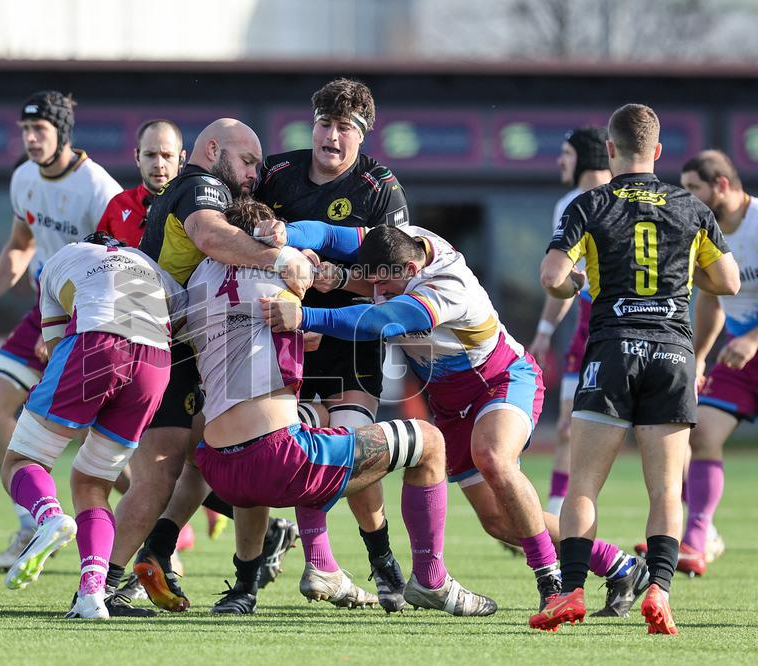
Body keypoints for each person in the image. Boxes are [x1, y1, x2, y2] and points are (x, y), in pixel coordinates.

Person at [262, 219, 649, 618]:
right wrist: (281, 235)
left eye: (386, 287)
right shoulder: (400, 243)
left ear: (411, 273)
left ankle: (551, 582)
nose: (378, 293)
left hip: (501, 380)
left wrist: (305, 316)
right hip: (451, 406)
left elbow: (379, 320)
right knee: (499, 522)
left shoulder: (448, 285)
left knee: (493, 456)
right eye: (374, 283)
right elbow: (327, 236)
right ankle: (619, 566)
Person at [189, 199, 496, 616]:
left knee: (306, 421)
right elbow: (355, 311)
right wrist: (297, 273)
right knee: (428, 441)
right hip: (280, 461)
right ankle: (430, 579)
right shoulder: (283, 267)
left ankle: (245, 587)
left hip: (218, 466)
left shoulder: (198, 277)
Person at [531, 104, 740, 635]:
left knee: (583, 485)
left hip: (612, 352)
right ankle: (660, 593)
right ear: (659, 151)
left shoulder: (589, 203)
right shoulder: (690, 206)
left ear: (609, 149)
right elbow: (730, 283)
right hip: (672, 355)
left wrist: (571, 285)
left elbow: (552, 275)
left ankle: (571, 591)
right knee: (666, 490)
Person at [99, 118, 314, 615]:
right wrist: (281, 257)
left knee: (204, 452)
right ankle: (105, 583)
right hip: (160, 348)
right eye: (248, 161)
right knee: (160, 469)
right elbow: (212, 236)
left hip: (163, 344)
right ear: (213, 149)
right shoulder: (201, 186)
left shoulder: (186, 189)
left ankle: (155, 550)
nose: (255, 173)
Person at [253, 77, 410, 612]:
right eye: (326, 124)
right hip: (283, 334)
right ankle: (312, 564)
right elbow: (242, 245)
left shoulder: (380, 188)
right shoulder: (274, 173)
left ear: (363, 136)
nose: (333, 137)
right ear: (312, 124)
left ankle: (382, 561)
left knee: (356, 450)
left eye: (346, 128)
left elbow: (395, 279)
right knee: (298, 447)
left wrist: (334, 283)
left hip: (353, 338)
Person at [0, 92, 121, 572]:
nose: (30, 139)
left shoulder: (97, 188)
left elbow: (119, 267)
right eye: (25, 130)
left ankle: (169, 509)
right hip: (43, 311)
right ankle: (32, 525)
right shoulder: (25, 178)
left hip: (90, 317)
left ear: (63, 134)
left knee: (98, 438)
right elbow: (20, 243)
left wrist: (70, 330)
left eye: (40, 130)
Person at [0, 231, 186, 619]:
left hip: (98, 344)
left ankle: (49, 518)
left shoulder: (62, 258)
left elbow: (53, 348)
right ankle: (92, 595)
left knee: (20, 461)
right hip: (156, 365)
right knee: (92, 483)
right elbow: (180, 324)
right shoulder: (151, 266)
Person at [672, 149, 755, 576]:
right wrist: (699, 359)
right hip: (740, 356)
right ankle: (698, 539)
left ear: (721, 185)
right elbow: (710, 300)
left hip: (749, 346)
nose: (687, 198)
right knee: (701, 433)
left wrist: (754, 338)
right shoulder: (707, 231)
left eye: (693, 189)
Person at [528, 127, 612, 516]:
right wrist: (544, 334)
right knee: (566, 427)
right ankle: (556, 520)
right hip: (587, 323)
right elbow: (562, 276)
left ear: (588, 156)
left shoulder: (625, 196)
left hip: (634, 324)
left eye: (566, 153)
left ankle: (684, 520)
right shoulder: (567, 205)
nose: (560, 160)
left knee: (655, 430)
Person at [98, 119, 186, 247]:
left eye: (167, 155)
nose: (159, 164)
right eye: (150, 155)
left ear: (181, 158)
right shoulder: (118, 205)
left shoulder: (193, 206)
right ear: (137, 156)